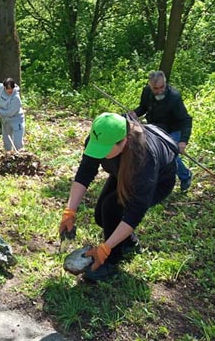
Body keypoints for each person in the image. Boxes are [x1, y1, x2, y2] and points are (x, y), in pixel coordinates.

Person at [58, 112, 177, 282]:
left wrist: (105, 249)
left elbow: (134, 213)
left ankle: (110, 262)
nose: (99, 153)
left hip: (157, 182)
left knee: (112, 209)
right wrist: (70, 211)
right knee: (101, 216)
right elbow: (85, 172)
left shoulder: (144, 159)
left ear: (124, 142)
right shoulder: (98, 137)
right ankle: (128, 243)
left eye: (104, 150)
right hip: (120, 173)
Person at [132, 70, 193, 191]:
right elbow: (143, 107)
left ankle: (185, 176)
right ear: (150, 85)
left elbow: (186, 120)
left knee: (170, 154)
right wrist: (135, 113)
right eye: (155, 88)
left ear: (165, 83)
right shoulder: (147, 92)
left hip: (174, 129)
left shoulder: (174, 97)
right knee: (148, 152)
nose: (159, 91)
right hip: (155, 128)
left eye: (162, 87)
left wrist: (183, 141)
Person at [0, 78, 25, 151]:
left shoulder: (16, 98)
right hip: (5, 120)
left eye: (12, 88)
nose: (10, 90)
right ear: (4, 87)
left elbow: (10, 112)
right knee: (6, 141)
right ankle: (8, 156)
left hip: (16, 120)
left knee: (17, 143)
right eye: (8, 88)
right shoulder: (0, 88)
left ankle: (20, 156)